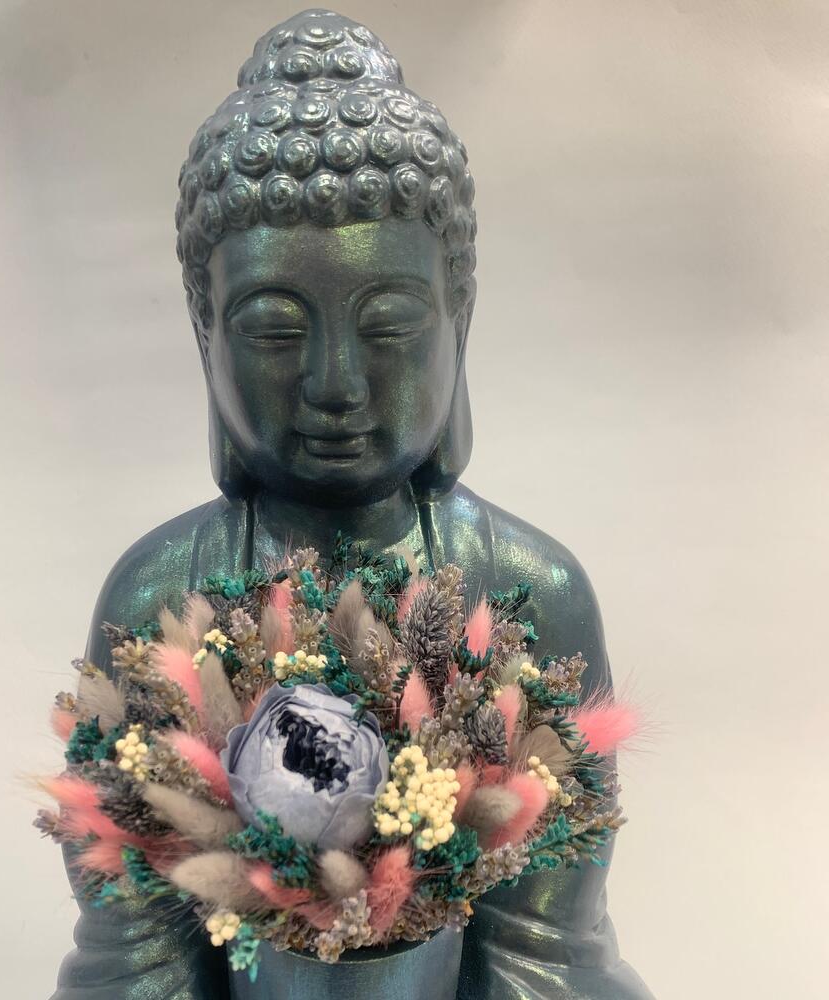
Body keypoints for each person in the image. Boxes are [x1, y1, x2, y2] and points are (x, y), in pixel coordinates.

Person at [52, 10, 651, 999]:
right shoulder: (160, 591)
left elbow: (545, 952)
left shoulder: (529, 589)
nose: (335, 384)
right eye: (275, 332)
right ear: (206, 336)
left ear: (458, 318)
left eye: (388, 326)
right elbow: (137, 957)